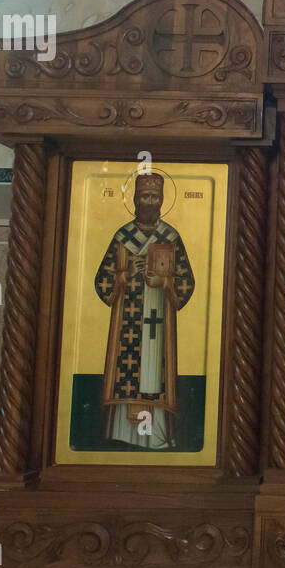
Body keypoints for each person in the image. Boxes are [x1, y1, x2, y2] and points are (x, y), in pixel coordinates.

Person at [93, 173, 194, 448]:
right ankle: (122, 435)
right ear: (136, 200)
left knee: (155, 374)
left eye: (154, 197)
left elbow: (187, 282)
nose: (149, 202)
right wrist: (123, 277)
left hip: (159, 324)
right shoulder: (122, 237)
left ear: (161, 201)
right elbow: (103, 280)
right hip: (128, 324)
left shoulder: (171, 238)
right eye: (144, 197)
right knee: (128, 374)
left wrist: (164, 281)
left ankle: (158, 437)